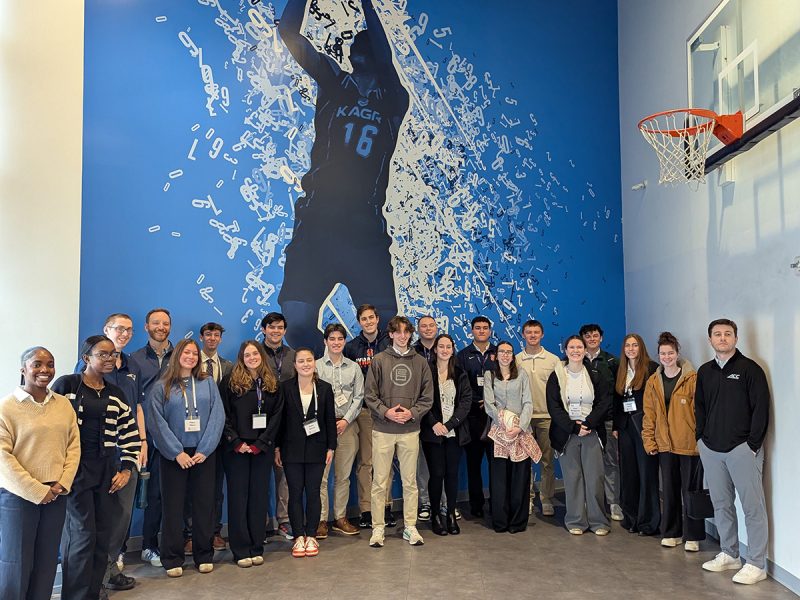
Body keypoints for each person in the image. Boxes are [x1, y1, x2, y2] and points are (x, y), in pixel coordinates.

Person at [277, 0, 410, 352]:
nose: (360, 53)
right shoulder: (335, 84)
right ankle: (328, 374)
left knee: (386, 328)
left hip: (363, 224)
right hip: (320, 216)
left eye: (365, 48)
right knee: (296, 324)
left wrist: (367, 4)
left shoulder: (394, 98)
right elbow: (289, 33)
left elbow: (384, 58)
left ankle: (358, 375)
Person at [52, 335, 141, 600]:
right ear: (86, 357)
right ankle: (75, 595)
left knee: (103, 535)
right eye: (102, 354)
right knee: (81, 536)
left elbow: (130, 433)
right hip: (74, 472)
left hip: (106, 471)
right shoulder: (67, 385)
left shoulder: (116, 393)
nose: (109, 359)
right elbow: (49, 426)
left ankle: (93, 591)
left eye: (112, 355)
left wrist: (126, 468)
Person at [0, 347, 80, 600]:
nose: (44, 370)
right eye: (37, 364)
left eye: (50, 364)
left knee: (46, 561)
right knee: (16, 563)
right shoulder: (7, 407)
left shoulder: (63, 405)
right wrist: (37, 491)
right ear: (23, 370)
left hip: (56, 493)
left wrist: (61, 484)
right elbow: (3, 458)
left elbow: (73, 446)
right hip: (18, 496)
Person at [695, 319, 770, 585]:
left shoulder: (750, 370)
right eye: (717, 334)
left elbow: (761, 408)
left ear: (736, 338)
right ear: (710, 340)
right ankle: (730, 554)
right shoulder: (704, 372)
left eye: (728, 334)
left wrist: (752, 445)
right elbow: (700, 408)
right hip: (711, 449)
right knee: (722, 504)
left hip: (742, 449)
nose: (723, 338)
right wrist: (700, 440)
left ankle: (757, 563)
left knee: (752, 507)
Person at [146, 339, 225, 577]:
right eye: (186, 352)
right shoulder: (162, 386)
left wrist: (205, 449)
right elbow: (156, 423)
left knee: (203, 506)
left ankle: (203, 555)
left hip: (203, 453)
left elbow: (217, 416)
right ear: (177, 355)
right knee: (173, 507)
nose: (190, 356)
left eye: (194, 353)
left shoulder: (208, 383)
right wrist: (176, 452)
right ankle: (172, 558)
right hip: (174, 456)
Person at [87, 314, 146, 591]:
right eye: (118, 329)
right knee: (97, 519)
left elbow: (137, 407)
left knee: (122, 515)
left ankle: (110, 569)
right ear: (106, 329)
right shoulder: (89, 366)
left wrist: (141, 443)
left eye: (129, 330)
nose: (124, 334)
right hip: (97, 456)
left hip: (128, 452)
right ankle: (92, 578)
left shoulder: (132, 364)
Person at [365, 316, 433, 548]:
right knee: (379, 482)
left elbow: (427, 397)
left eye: (406, 332)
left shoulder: (421, 362)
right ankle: (377, 529)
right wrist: (386, 412)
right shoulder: (379, 360)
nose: (403, 336)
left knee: (410, 481)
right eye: (398, 332)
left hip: (410, 430)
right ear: (391, 334)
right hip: (383, 429)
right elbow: (370, 395)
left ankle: (410, 527)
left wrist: (411, 413)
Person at [220, 341, 282, 567]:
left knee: (258, 498)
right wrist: (236, 442)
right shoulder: (230, 382)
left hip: (261, 449)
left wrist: (262, 443)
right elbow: (223, 415)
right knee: (238, 499)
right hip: (236, 450)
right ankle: (240, 549)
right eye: (247, 354)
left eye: (255, 353)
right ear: (241, 357)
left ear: (262, 356)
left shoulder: (272, 383)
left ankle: (257, 546)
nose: (252, 357)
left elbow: (277, 416)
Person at [641, 332, 704, 552]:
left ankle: (693, 536)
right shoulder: (653, 382)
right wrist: (649, 440)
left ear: (677, 354)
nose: (667, 357)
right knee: (668, 489)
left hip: (688, 445)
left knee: (691, 491)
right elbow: (649, 414)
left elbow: (700, 412)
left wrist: (700, 441)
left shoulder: (692, 378)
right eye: (663, 353)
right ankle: (671, 532)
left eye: (670, 353)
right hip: (664, 444)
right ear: (658, 355)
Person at [546, 335, 611, 535]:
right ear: (565, 351)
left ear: (584, 350)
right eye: (571, 347)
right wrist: (574, 428)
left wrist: (589, 423)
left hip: (592, 432)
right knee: (572, 478)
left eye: (579, 347)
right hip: (567, 434)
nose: (575, 350)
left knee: (595, 478)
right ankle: (575, 520)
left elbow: (604, 401)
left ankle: (599, 521)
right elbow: (554, 407)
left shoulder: (594, 373)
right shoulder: (556, 375)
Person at [275, 349, 337, 558]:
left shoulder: (325, 389)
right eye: (301, 361)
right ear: (294, 365)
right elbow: (279, 422)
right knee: (294, 492)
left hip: (317, 448)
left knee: (313, 492)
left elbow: (330, 420)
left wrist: (331, 447)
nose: (305, 364)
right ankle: (298, 537)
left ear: (314, 363)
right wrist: (277, 448)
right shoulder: (285, 388)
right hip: (291, 449)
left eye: (309, 360)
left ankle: (311, 535)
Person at [129, 307, 174, 567]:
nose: (161, 327)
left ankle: (149, 545)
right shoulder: (133, 359)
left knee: (158, 494)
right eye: (155, 323)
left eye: (165, 323)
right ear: (146, 327)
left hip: (167, 436)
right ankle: (120, 549)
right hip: (139, 436)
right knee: (127, 493)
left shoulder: (179, 356)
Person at [184, 322, 233, 555]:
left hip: (222, 434)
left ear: (221, 339)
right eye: (208, 335)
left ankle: (214, 531)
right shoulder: (191, 364)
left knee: (216, 487)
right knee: (193, 487)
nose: (212, 338)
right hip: (194, 434)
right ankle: (193, 534)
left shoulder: (229, 366)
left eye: (217, 335)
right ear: (201, 338)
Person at [343, 304, 392, 529]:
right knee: (366, 462)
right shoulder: (352, 347)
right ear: (359, 322)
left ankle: (386, 507)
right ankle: (366, 510)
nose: (368, 322)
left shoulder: (389, 342)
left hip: (388, 411)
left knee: (386, 461)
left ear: (378, 319)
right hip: (363, 411)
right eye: (364, 319)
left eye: (372, 317)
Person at [483, 341, 538, 533]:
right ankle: (500, 521)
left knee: (519, 478)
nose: (505, 355)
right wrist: (504, 423)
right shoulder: (489, 376)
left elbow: (528, 402)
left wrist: (519, 426)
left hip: (520, 434)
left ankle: (517, 522)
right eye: (501, 352)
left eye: (509, 352)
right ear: (495, 355)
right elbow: (489, 404)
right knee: (499, 479)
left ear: (513, 355)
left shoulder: (521, 374)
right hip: (499, 433)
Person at [420, 334, 471, 536]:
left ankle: (449, 513)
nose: (444, 350)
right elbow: (422, 400)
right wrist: (435, 424)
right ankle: (435, 516)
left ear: (452, 349)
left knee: (451, 475)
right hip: (432, 433)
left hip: (455, 433)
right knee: (437, 474)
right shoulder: (426, 371)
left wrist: (449, 425)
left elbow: (466, 402)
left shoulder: (460, 373)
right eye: (440, 346)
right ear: (435, 349)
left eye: (448, 346)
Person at [315, 324, 363, 538]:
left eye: (340, 339)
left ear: (344, 341)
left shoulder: (354, 368)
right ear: (325, 341)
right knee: (321, 477)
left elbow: (359, 397)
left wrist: (345, 420)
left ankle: (340, 518)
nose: (336, 342)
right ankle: (321, 519)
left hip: (347, 427)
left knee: (343, 476)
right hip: (322, 430)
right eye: (331, 338)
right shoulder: (315, 367)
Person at [612, 334, 659, 536]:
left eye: (635, 345)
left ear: (641, 347)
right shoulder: (620, 370)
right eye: (627, 345)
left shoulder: (652, 368)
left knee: (646, 472)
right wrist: (615, 425)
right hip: (624, 428)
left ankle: (648, 521)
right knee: (629, 472)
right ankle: (631, 519)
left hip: (644, 427)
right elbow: (616, 399)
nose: (631, 349)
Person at [515, 319, 559, 516]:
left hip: (546, 417)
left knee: (547, 460)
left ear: (542, 335)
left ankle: (547, 498)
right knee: (524, 461)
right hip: (523, 419)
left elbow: (560, 390)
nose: (532, 335)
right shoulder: (516, 359)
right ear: (523, 335)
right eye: (528, 332)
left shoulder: (553, 360)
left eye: (536, 332)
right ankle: (527, 498)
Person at [580, 323, 622, 521]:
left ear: (601, 338)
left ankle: (613, 502)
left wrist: (617, 423)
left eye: (595, 335)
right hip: (585, 421)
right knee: (587, 463)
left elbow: (620, 393)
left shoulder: (612, 361)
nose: (591, 338)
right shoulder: (575, 360)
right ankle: (590, 501)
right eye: (587, 336)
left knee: (610, 462)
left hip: (607, 420)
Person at [456, 316, 497, 518]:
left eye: (485, 328)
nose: (481, 331)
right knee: (473, 463)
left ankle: (497, 502)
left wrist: (491, 402)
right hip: (473, 416)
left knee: (496, 462)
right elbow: (460, 385)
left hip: (496, 417)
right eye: (477, 328)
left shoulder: (499, 353)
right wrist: (476, 401)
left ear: (490, 330)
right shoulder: (463, 355)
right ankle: (477, 505)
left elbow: (507, 380)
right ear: (472, 330)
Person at [260, 312, 294, 539]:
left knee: (284, 475)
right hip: (259, 422)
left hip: (287, 422)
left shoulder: (293, 355)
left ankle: (284, 520)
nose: (275, 331)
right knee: (260, 474)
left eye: (280, 327)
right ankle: (260, 522)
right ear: (264, 329)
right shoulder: (253, 353)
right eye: (271, 327)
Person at [412, 315, 437, 522]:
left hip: (440, 416)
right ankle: (425, 502)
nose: (428, 329)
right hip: (419, 414)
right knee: (421, 463)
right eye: (423, 326)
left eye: (431, 325)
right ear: (417, 329)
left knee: (441, 463)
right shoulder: (412, 352)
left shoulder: (444, 348)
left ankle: (444, 502)